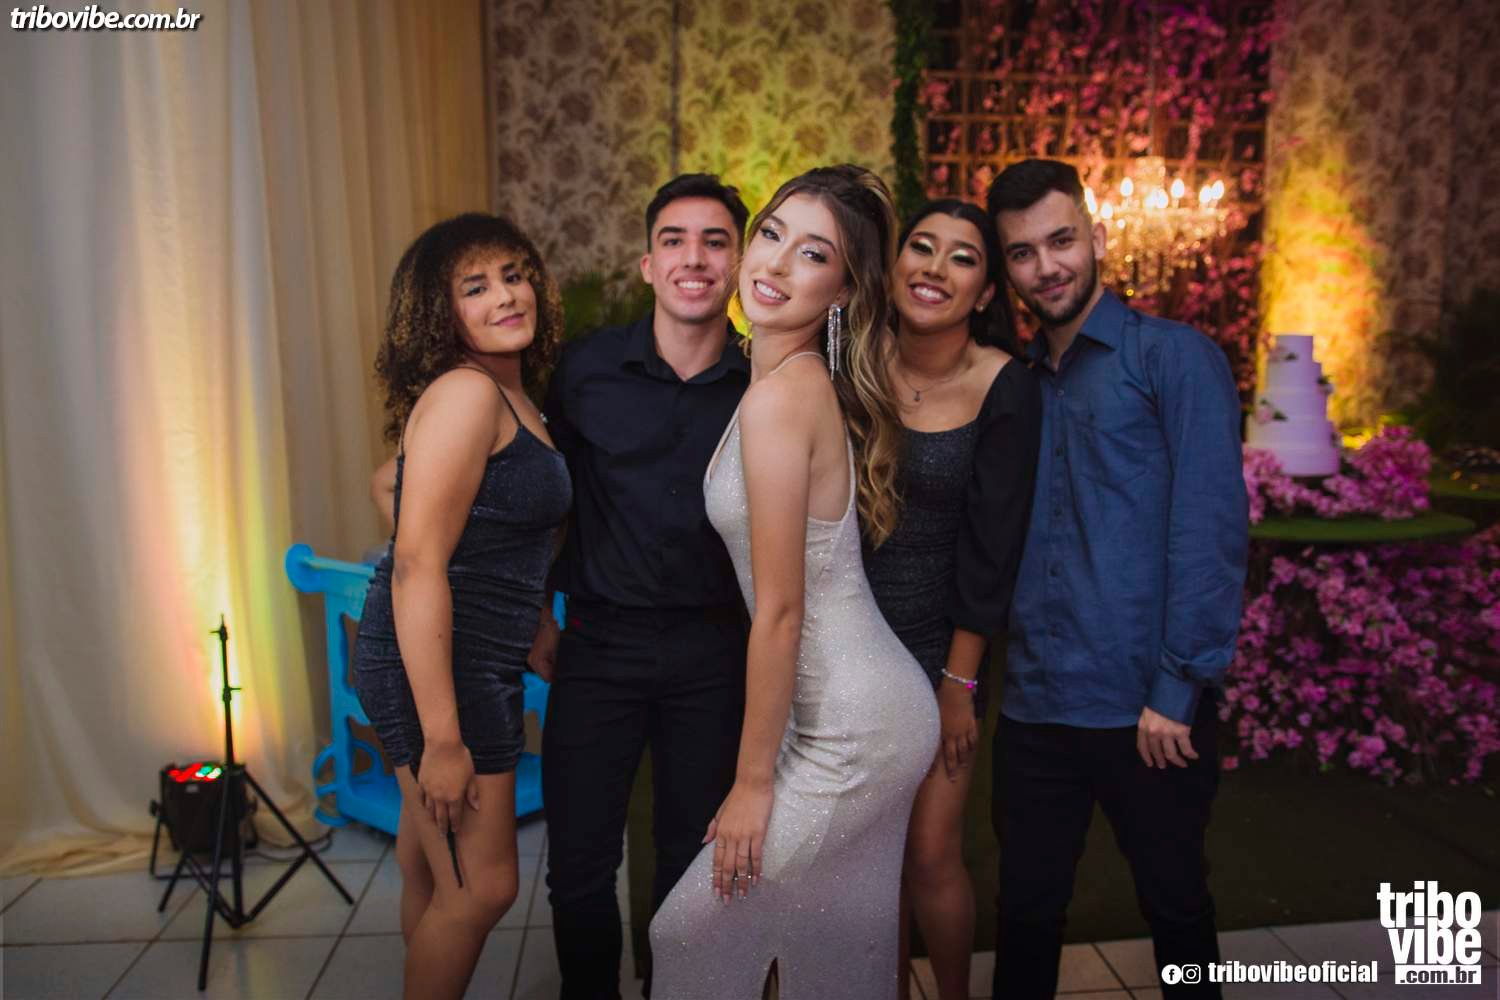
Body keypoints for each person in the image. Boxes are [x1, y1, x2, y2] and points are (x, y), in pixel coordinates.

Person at [649, 165, 940, 1000]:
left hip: (855, 727)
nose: (775, 263)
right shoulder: (780, 385)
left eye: (813, 253)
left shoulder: (783, 399)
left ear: (843, 291)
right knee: (827, 950)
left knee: (685, 932)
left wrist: (752, 787)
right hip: (842, 711)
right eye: (771, 234)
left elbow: (779, 613)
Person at [985, 159, 1248, 999]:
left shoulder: (1173, 358)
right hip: (1033, 707)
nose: (1046, 266)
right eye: (1022, 253)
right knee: (1025, 916)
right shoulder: (1014, 381)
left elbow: (1209, 529)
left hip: (1147, 709)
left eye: (1061, 240)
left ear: (1097, 238)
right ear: (1006, 269)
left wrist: (1178, 687)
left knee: (1176, 908)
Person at [532, 174, 752, 999]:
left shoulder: (767, 383)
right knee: (579, 868)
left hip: (715, 651)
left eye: (715, 241)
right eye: (674, 241)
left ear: (737, 265)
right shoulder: (585, 369)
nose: (694, 258)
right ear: (648, 265)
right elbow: (538, 496)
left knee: (693, 865)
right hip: (598, 644)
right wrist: (534, 614)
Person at [352, 213, 570, 1000]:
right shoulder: (467, 393)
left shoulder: (509, 396)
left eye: (514, 275)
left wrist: (529, 616)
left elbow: (392, 483)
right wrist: (442, 738)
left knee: (431, 871)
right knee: (482, 890)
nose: (506, 296)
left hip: (472, 656)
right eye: (475, 287)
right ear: (440, 313)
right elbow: (416, 563)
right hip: (443, 672)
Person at [864, 200, 1041, 1000]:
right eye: (922, 247)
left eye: (962, 258)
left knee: (930, 851)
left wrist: (960, 682)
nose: (934, 268)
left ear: (985, 292)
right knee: (866, 858)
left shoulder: (1004, 384)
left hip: (944, 651)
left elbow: (994, 546)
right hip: (846, 646)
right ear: (894, 264)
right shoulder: (850, 361)